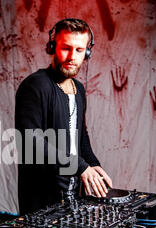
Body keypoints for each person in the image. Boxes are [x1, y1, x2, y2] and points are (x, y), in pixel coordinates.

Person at [15, 18, 113, 215]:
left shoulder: (79, 89)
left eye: (79, 50)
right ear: (52, 47)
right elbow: (30, 140)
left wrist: (93, 164)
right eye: (66, 48)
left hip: (72, 191)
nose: (72, 57)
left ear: (87, 52)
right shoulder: (35, 86)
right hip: (42, 196)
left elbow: (80, 135)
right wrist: (82, 167)